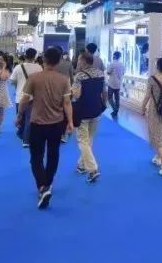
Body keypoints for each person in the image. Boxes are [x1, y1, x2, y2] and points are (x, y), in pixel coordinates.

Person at [17, 48, 74, 209]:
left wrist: (19, 115)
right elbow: (67, 103)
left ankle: (42, 186)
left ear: (43, 60)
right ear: (58, 62)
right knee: (53, 155)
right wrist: (70, 121)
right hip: (57, 123)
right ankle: (47, 183)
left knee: (36, 157)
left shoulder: (34, 78)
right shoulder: (64, 80)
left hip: (37, 123)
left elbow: (24, 100)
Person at [71, 53, 106, 183]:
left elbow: (77, 95)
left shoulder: (79, 76)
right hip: (96, 110)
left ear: (84, 61)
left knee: (82, 141)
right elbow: (104, 91)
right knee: (89, 139)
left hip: (83, 111)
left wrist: (70, 91)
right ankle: (81, 165)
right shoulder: (101, 73)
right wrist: (104, 104)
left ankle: (92, 170)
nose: (78, 62)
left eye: (79, 60)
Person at [10, 48, 42, 147]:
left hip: (20, 95)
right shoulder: (39, 67)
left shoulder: (18, 67)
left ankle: (21, 133)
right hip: (33, 96)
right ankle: (26, 140)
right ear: (35, 56)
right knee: (29, 118)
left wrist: (19, 85)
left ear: (25, 55)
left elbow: (12, 80)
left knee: (20, 116)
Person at [106, 51, 124, 118]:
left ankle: (115, 110)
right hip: (118, 83)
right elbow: (123, 73)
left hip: (112, 83)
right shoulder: (122, 64)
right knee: (117, 98)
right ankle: (116, 111)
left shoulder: (112, 63)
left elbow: (108, 72)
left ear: (114, 56)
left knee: (109, 97)